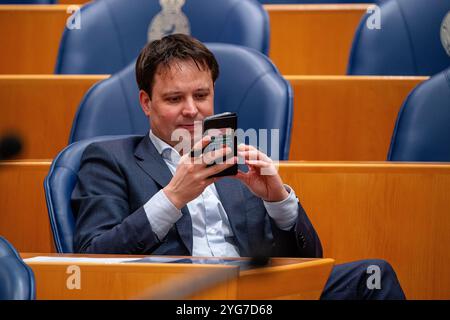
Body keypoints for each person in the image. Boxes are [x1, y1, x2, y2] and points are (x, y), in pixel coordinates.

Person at [71, 34, 405, 300]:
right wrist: (172, 198)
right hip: (184, 295)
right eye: (174, 99)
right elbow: (91, 258)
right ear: (147, 103)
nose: (192, 110)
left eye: (201, 95)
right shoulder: (109, 159)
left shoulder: (236, 164)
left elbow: (307, 265)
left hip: (255, 295)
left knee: (372, 277)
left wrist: (280, 203)